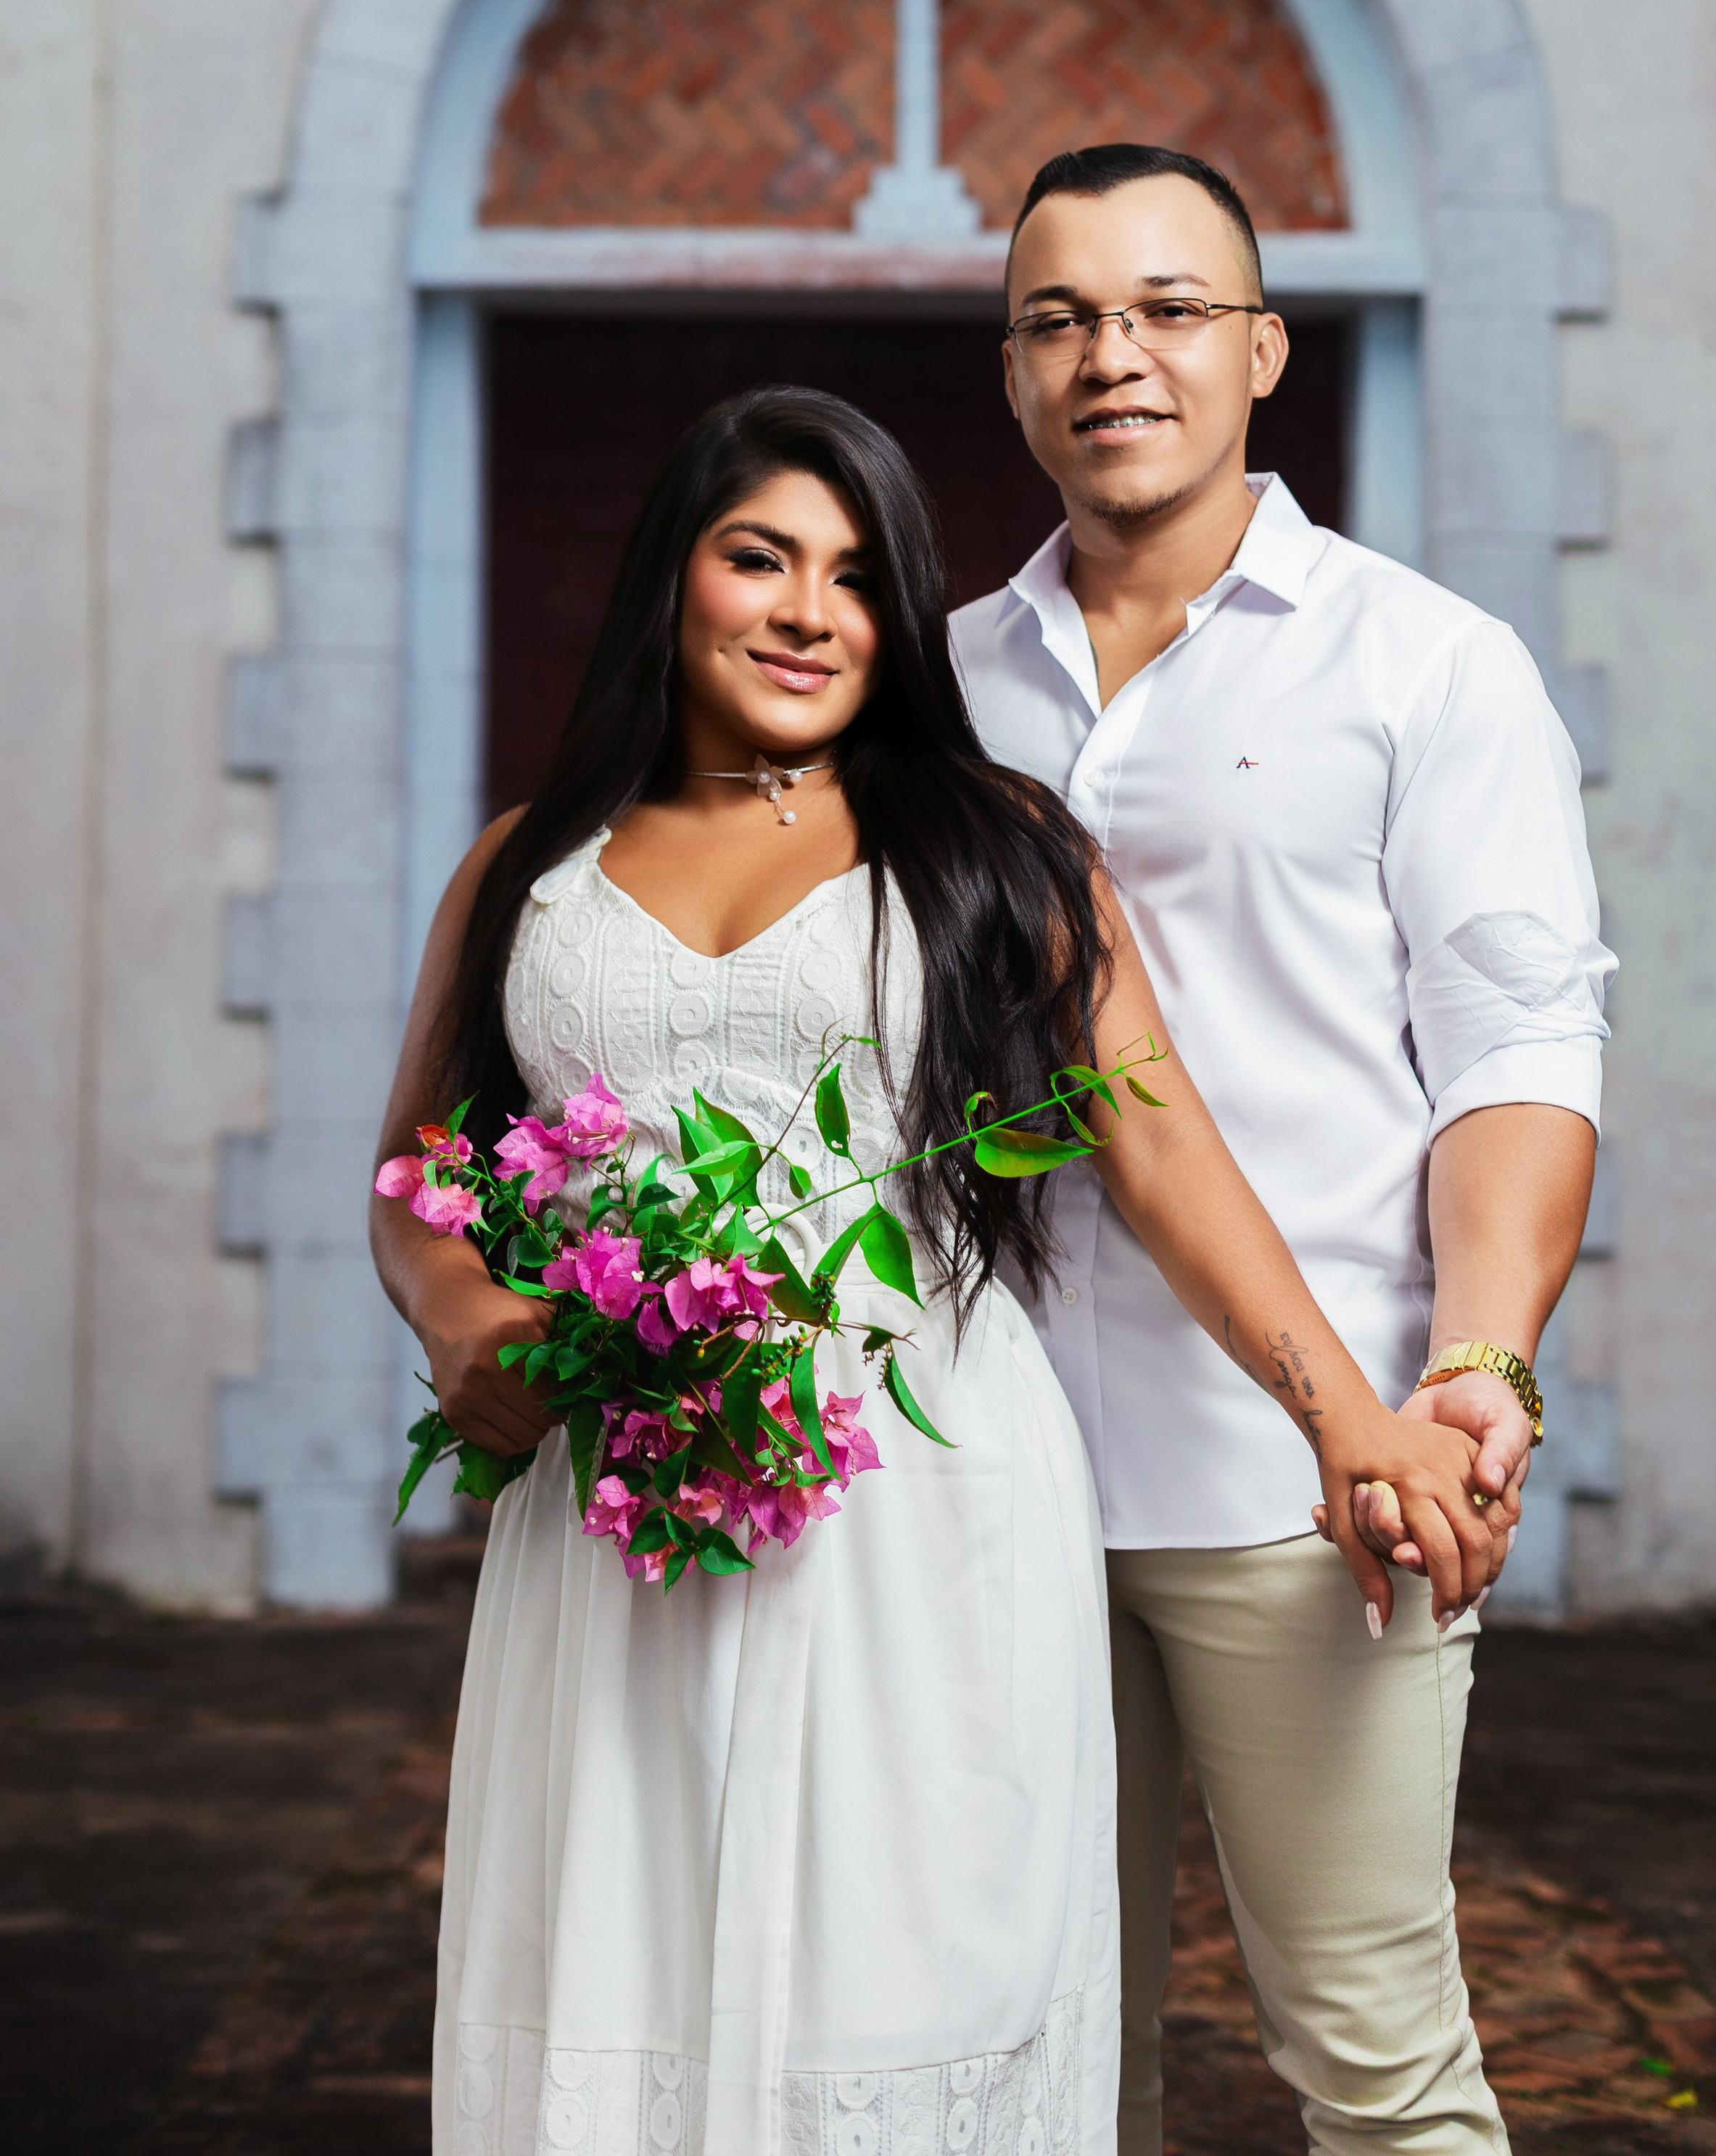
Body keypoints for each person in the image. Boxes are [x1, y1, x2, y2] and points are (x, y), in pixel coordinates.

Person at [371, 387, 1501, 2156]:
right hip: (615, 1518)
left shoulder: (995, 847)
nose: (808, 611)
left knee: (905, 1983)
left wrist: (1341, 1413)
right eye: (760, 558)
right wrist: (463, 1314)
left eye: (856, 577)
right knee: (621, 1968)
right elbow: (425, 1167)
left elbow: (1160, 1152)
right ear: (673, 576)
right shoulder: (524, 864)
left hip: (913, 1500)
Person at [950, 145, 1617, 2156]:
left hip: (1307, 1480)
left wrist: (1477, 1361)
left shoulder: (1426, 662)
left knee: (1375, 2064)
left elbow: (1517, 1045)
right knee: (1021, 2066)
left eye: (1165, 311)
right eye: (1061, 319)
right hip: (980, 1478)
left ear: (1259, 347)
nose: (1113, 357)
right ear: (1012, 375)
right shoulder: (933, 680)